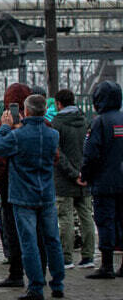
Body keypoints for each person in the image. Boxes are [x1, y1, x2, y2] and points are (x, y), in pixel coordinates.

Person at [0, 93, 66, 300]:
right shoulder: (53, 135)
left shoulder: (17, 136)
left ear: (27, 111)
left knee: (29, 241)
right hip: (46, 194)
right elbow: (55, 159)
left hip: (23, 196)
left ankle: (36, 286)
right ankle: (58, 284)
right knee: (52, 240)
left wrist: (5, 127)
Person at [0, 82, 40, 288]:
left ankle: (16, 271)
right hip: (37, 184)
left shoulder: (7, 125)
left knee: (13, 228)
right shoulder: (40, 123)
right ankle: (41, 273)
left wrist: (5, 128)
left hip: (11, 185)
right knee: (38, 231)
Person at [81, 80, 123, 279]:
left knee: (105, 221)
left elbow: (91, 153)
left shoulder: (99, 122)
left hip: (104, 183)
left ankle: (107, 265)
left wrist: (85, 175)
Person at [50, 88, 94, 269]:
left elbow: (57, 153)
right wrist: (84, 173)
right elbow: (90, 149)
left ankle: (66, 258)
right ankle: (89, 256)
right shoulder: (85, 121)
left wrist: (72, 174)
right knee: (86, 217)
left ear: (59, 104)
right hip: (84, 179)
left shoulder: (57, 123)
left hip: (64, 180)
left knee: (65, 218)